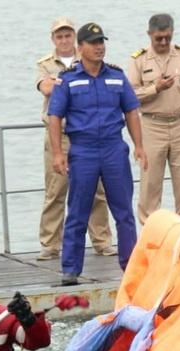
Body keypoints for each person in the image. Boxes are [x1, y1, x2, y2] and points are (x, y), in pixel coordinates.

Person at [47, 22, 148, 286]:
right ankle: (70, 269)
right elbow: (55, 117)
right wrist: (58, 154)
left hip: (114, 148)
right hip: (83, 150)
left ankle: (131, 266)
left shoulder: (116, 75)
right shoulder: (68, 79)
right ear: (81, 48)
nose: (99, 47)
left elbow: (131, 112)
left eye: (102, 41)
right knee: (78, 211)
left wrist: (139, 146)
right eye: (93, 43)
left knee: (123, 211)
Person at [35, 17, 116, 261]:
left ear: (76, 38)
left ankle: (102, 241)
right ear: (53, 39)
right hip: (58, 134)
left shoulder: (89, 59)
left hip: (86, 134)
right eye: (59, 36)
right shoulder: (46, 64)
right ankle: (50, 244)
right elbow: (46, 88)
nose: (64, 40)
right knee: (55, 190)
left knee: (96, 191)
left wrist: (63, 83)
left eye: (68, 35)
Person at [127, 13, 180, 223]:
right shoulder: (139, 60)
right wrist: (155, 88)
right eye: (159, 38)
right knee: (150, 184)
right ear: (149, 35)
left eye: (167, 38)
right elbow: (130, 95)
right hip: (152, 125)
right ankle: (150, 229)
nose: (163, 42)